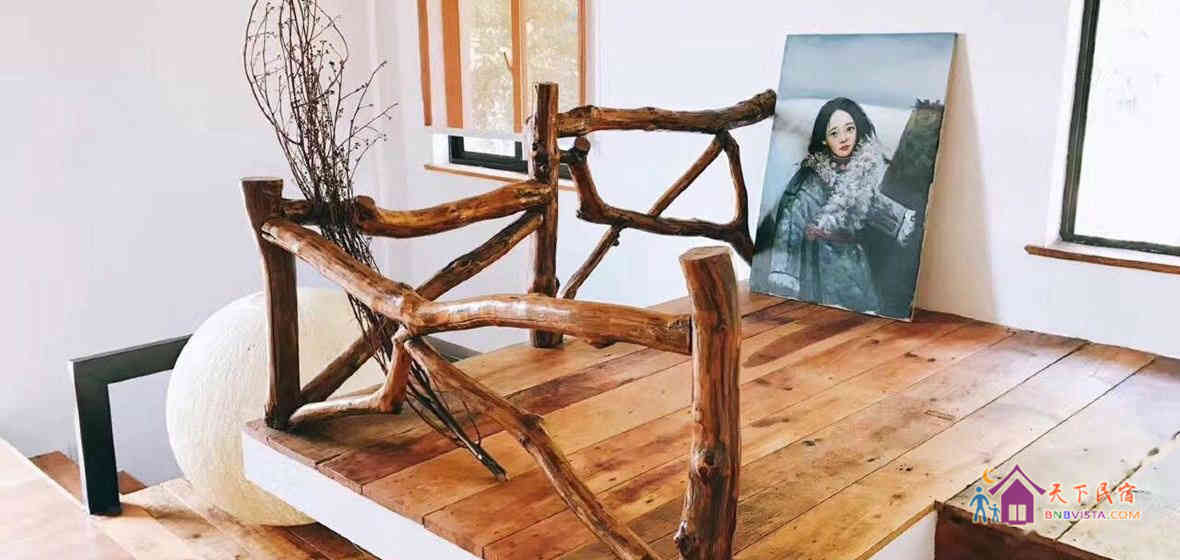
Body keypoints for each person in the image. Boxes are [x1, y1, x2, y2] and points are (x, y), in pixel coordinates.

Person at [755, 97, 916, 313]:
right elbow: (791, 221)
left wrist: (904, 221)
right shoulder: (812, 178)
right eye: (834, 133)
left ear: (858, 130)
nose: (843, 138)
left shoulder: (861, 172)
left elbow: (872, 205)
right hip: (821, 265)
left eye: (849, 129)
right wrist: (785, 271)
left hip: (855, 265)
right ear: (824, 139)